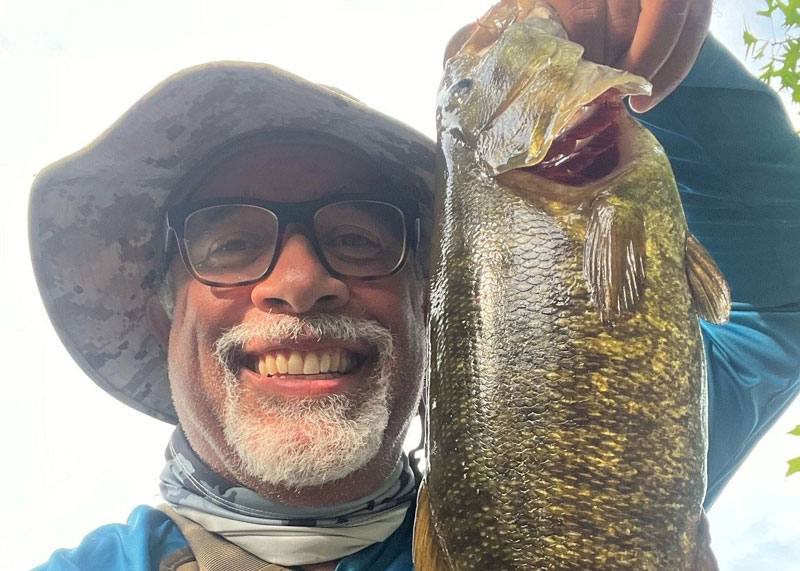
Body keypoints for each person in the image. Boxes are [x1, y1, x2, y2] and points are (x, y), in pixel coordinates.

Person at [29, 1, 800, 569]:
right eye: (230, 244)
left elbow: (780, 307)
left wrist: (652, 58)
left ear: (430, 307)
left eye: (358, 238)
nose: (300, 282)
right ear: (163, 315)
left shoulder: (564, 423)